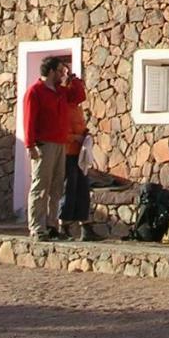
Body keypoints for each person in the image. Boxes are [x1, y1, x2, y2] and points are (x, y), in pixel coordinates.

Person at [23, 56, 85, 241]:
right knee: (41, 186)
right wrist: (30, 144)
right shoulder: (35, 92)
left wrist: (73, 79)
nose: (62, 74)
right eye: (59, 71)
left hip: (60, 144)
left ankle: (51, 225)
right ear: (51, 71)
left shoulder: (60, 91)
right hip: (44, 144)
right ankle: (36, 227)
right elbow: (29, 120)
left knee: (57, 187)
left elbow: (79, 96)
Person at [58, 64, 100, 241]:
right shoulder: (63, 106)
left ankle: (85, 226)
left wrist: (84, 135)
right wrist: (76, 138)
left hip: (78, 152)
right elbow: (61, 133)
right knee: (69, 188)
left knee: (82, 188)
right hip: (67, 152)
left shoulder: (75, 107)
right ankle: (63, 225)